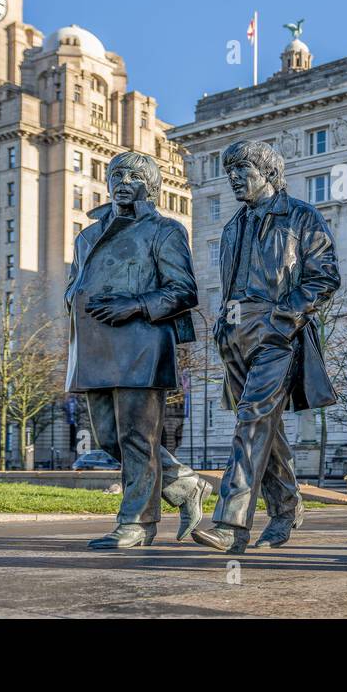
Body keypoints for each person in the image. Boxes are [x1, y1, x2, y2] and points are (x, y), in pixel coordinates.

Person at [192, 139, 340, 554]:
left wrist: (283, 318)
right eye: (231, 172)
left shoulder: (302, 217)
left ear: (269, 173)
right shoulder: (233, 226)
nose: (235, 178)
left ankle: (230, 525)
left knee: (252, 421)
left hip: (278, 333)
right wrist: (224, 325)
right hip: (235, 334)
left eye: (244, 170)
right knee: (263, 428)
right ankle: (287, 508)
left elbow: (324, 277)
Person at [65, 151, 210, 549]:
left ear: (151, 185)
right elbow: (74, 284)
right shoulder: (87, 235)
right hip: (94, 347)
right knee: (109, 437)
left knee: (136, 437)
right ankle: (184, 484)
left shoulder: (165, 230)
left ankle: (138, 522)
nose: (122, 180)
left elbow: (184, 291)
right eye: (116, 174)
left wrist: (135, 305)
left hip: (141, 344)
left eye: (133, 175)